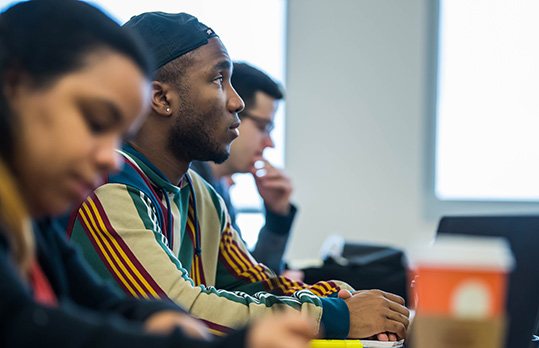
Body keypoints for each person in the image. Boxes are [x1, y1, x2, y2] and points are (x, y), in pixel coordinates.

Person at [64, 11, 410, 341]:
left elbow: (254, 284)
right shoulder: (108, 186)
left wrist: (339, 295)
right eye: (218, 80)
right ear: (160, 97)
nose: (237, 102)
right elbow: (183, 311)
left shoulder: (199, 193)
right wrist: (336, 316)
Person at [0, 1, 315, 347]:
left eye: (119, 133)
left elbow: (102, 302)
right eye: (95, 122)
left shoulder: (32, 223)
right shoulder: (110, 190)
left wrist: (157, 318)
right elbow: (26, 326)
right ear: (14, 87)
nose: (110, 157)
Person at [191, 62, 295, 275]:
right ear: (229, 112)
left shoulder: (219, 189)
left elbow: (244, 276)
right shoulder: (189, 182)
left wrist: (277, 216)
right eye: (263, 127)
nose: (270, 143)